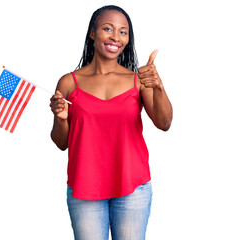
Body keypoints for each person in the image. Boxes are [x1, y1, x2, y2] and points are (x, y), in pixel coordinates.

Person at [49, 5, 172, 240]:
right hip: (84, 188)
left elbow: (164, 123)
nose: (116, 36)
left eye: (123, 32)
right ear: (93, 33)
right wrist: (60, 118)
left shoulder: (138, 80)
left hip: (132, 188)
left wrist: (158, 86)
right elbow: (61, 142)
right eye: (108, 28)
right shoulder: (68, 83)